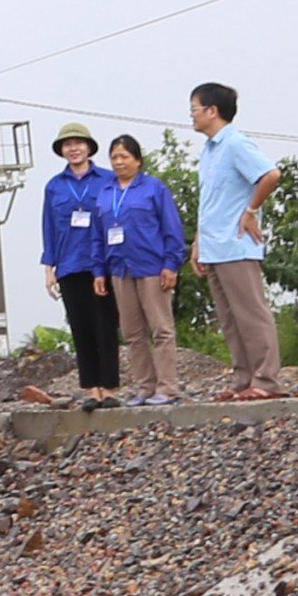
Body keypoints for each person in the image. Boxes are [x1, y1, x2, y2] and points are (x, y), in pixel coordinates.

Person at [189, 81, 286, 401]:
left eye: (195, 109)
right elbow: (212, 200)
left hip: (236, 243)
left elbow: (270, 175)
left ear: (212, 111)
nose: (191, 116)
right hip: (214, 246)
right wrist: (198, 243)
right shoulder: (209, 150)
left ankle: (267, 380)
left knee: (251, 313)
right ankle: (243, 377)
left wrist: (251, 210)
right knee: (229, 319)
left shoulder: (235, 144)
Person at [100, 134, 187, 405]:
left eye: (124, 156)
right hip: (119, 270)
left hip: (151, 267)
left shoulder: (153, 189)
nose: (119, 162)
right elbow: (96, 235)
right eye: (114, 157)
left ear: (137, 160)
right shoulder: (105, 193)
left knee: (161, 329)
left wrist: (171, 264)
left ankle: (167, 387)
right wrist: (98, 271)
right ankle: (145, 387)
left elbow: (172, 229)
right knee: (132, 333)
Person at [38, 121, 119, 407]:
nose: (73, 148)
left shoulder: (108, 179)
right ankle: (92, 390)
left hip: (103, 265)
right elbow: (49, 227)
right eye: (67, 144)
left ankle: (110, 388)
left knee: (106, 326)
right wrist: (49, 268)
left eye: (78, 143)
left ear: (89, 147)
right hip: (70, 264)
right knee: (81, 328)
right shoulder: (55, 187)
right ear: (61, 150)